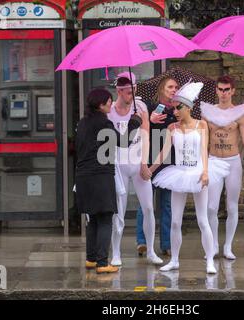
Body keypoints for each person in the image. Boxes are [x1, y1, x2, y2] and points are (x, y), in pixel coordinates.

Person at [150, 81, 218, 274]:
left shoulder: (201, 124)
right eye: (174, 108)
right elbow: (164, 152)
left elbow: (204, 150)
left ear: (189, 107)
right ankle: (174, 260)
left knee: (202, 220)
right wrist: (151, 169)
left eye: (179, 107)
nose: (176, 111)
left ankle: (210, 260)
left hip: (197, 172)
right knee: (175, 221)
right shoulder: (172, 128)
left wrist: (205, 171)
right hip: (178, 173)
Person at [76, 88, 142, 273]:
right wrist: (134, 123)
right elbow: (123, 142)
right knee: (105, 218)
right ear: (100, 105)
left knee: (93, 219)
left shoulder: (82, 123)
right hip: (100, 176)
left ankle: (91, 258)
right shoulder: (104, 124)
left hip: (83, 177)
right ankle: (103, 263)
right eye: (108, 102)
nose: (111, 105)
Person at [107, 72, 163, 266]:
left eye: (135, 90)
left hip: (137, 161)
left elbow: (146, 135)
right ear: (119, 91)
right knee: (118, 210)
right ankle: (116, 252)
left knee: (148, 207)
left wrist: (144, 162)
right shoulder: (110, 110)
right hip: (118, 164)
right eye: (129, 92)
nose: (132, 94)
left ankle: (151, 250)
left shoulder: (140, 107)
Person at [200, 75, 244, 260]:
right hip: (214, 160)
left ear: (232, 91)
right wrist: (204, 165)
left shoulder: (239, 113)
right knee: (211, 207)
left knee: (232, 207)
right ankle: (214, 244)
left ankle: (228, 246)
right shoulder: (208, 112)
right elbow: (202, 140)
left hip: (233, 161)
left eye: (227, 90)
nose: (223, 93)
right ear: (216, 90)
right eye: (220, 89)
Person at [136, 76, 179, 256]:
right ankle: (142, 241)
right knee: (145, 203)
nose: (174, 90)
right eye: (170, 86)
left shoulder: (178, 110)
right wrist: (150, 120)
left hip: (169, 161)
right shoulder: (149, 108)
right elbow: (136, 129)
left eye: (176, 87)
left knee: (167, 204)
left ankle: (166, 243)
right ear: (162, 89)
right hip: (149, 160)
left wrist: (181, 119)